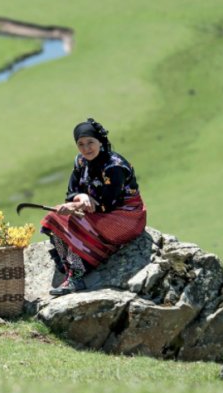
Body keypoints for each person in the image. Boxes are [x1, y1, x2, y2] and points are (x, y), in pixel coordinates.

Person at [41, 118, 147, 296]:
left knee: (70, 220)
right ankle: (72, 265)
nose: (86, 148)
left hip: (125, 217)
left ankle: (77, 275)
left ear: (101, 141)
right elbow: (71, 191)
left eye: (90, 142)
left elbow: (107, 205)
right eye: (80, 144)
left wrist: (77, 207)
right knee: (53, 218)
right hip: (98, 213)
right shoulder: (81, 162)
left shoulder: (114, 167)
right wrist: (81, 197)